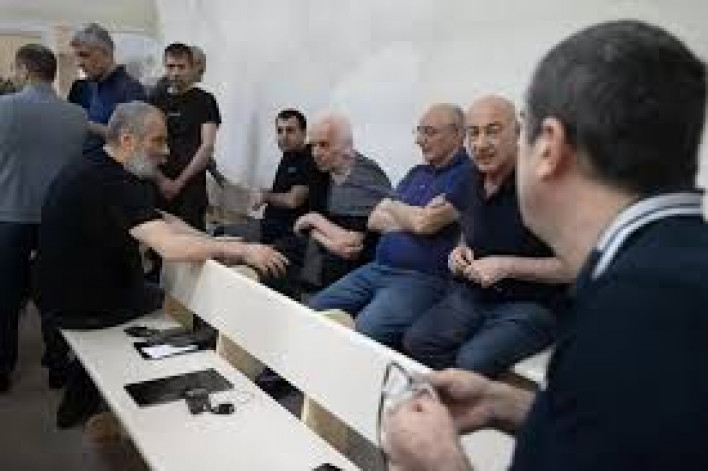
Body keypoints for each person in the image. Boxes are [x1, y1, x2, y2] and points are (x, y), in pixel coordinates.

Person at [383, 20, 708, 470]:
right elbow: (625, 430)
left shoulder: (632, 312)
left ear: (548, 147)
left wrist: (437, 463)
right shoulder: (664, 269)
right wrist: (503, 404)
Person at [35, 101, 287, 428]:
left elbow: (160, 219)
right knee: (189, 323)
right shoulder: (114, 183)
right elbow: (168, 245)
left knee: (158, 295)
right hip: (84, 306)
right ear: (127, 140)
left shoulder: (96, 164)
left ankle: (79, 403)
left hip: (61, 295)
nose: (166, 151)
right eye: (158, 141)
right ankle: (164, 409)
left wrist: (215, 242)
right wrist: (243, 252)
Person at [403, 95, 570, 377]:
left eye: (493, 131)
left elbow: (574, 267)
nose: (481, 144)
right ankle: (464, 395)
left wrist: (507, 266)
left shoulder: (548, 183)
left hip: (533, 305)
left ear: (518, 133)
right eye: (473, 133)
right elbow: (467, 230)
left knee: (472, 360)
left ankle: (479, 397)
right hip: (474, 295)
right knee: (418, 342)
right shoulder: (470, 177)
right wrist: (458, 251)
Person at [309, 104, 472, 349]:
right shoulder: (416, 173)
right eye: (419, 131)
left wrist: (393, 207)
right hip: (377, 268)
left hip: (420, 278)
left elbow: (425, 223)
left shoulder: (468, 174)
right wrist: (412, 216)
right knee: (312, 311)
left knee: (362, 334)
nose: (419, 140)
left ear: (457, 134)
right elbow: (375, 219)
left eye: (429, 132)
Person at [0, 44, 87, 393]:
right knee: (56, 293)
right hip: (58, 219)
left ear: (23, 70)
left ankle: (2, 368)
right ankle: (57, 364)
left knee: (5, 295)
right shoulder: (77, 115)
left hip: (9, 213)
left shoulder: (4, 108)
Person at [269, 113, 391, 297]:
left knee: (312, 267)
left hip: (360, 260)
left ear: (346, 147)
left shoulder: (365, 176)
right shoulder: (322, 170)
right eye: (313, 145)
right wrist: (323, 235)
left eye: (324, 145)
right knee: (275, 253)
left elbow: (351, 245)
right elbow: (309, 228)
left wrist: (314, 220)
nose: (316, 153)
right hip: (327, 246)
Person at [216, 109, 326, 244]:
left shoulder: (308, 158)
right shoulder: (289, 155)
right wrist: (263, 194)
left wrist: (265, 196)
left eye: (290, 130)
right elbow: (284, 191)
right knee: (222, 233)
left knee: (221, 232)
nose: (284, 136)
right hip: (271, 224)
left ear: (304, 133)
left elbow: (293, 200)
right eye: (280, 131)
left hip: (288, 230)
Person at [149, 42, 221, 231]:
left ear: (191, 68)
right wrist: (161, 180)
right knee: (160, 239)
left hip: (191, 185)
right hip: (159, 182)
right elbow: (144, 143)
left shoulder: (205, 100)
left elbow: (207, 146)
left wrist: (179, 182)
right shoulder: (155, 99)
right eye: (170, 66)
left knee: (192, 238)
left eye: (181, 67)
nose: (175, 72)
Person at [67, 23, 146, 154]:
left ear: (107, 53)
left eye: (85, 55)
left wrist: (88, 126)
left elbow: (135, 138)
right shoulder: (85, 87)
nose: (79, 63)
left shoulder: (131, 90)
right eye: (77, 56)